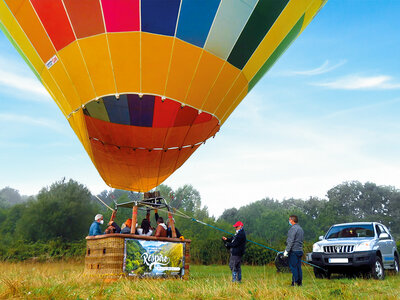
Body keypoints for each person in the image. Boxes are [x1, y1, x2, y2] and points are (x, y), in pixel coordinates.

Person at [283, 215, 304, 286]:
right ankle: (299, 283)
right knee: (298, 267)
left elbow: (290, 241)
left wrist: (286, 251)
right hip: (300, 250)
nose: (289, 221)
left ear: (292, 220)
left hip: (294, 251)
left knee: (293, 267)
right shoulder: (300, 229)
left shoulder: (293, 229)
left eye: (289, 220)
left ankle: (294, 283)